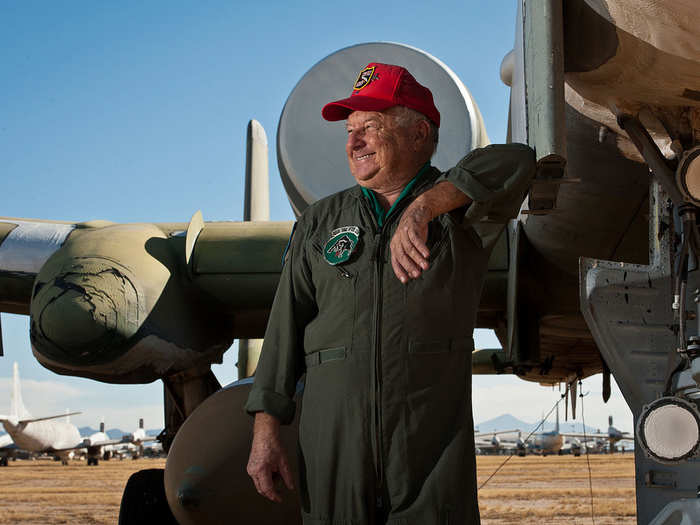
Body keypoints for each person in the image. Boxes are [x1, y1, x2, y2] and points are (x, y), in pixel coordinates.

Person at [245, 62, 536, 525]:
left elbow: (519, 160)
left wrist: (426, 206)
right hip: (334, 447)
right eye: (350, 130)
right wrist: (265, 432)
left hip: (429, 449)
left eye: (370, 127)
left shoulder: (463, 217)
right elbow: (284, 332)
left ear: (419, 133)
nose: (353, 142)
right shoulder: (320, 222)